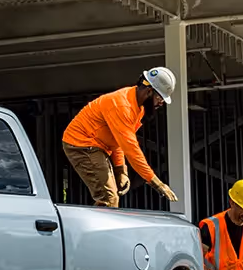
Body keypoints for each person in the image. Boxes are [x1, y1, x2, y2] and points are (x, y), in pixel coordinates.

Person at [60, 68, 179, 208]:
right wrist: (157, 183)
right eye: (160, 98)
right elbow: (131, 150)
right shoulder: (123, 106)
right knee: (109, 199)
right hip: (82, 145)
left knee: (110, 199)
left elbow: (118, 140)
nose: (161, 103)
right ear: (149, 91)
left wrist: (121, 170)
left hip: (96, 146)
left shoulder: (138, 107)